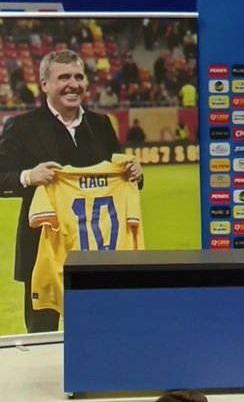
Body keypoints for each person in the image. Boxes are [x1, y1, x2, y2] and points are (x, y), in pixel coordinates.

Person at [0, 49, 143, 333]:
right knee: (44, 334)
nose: (73, 84)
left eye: (79, 77)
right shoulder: (22, 126)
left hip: (97, 251)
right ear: (44, 84)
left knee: (101, 329)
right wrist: (29, 176)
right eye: (63, 77)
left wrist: (135, 174)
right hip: (44, 250)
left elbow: (119, 171)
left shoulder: (101, 124)